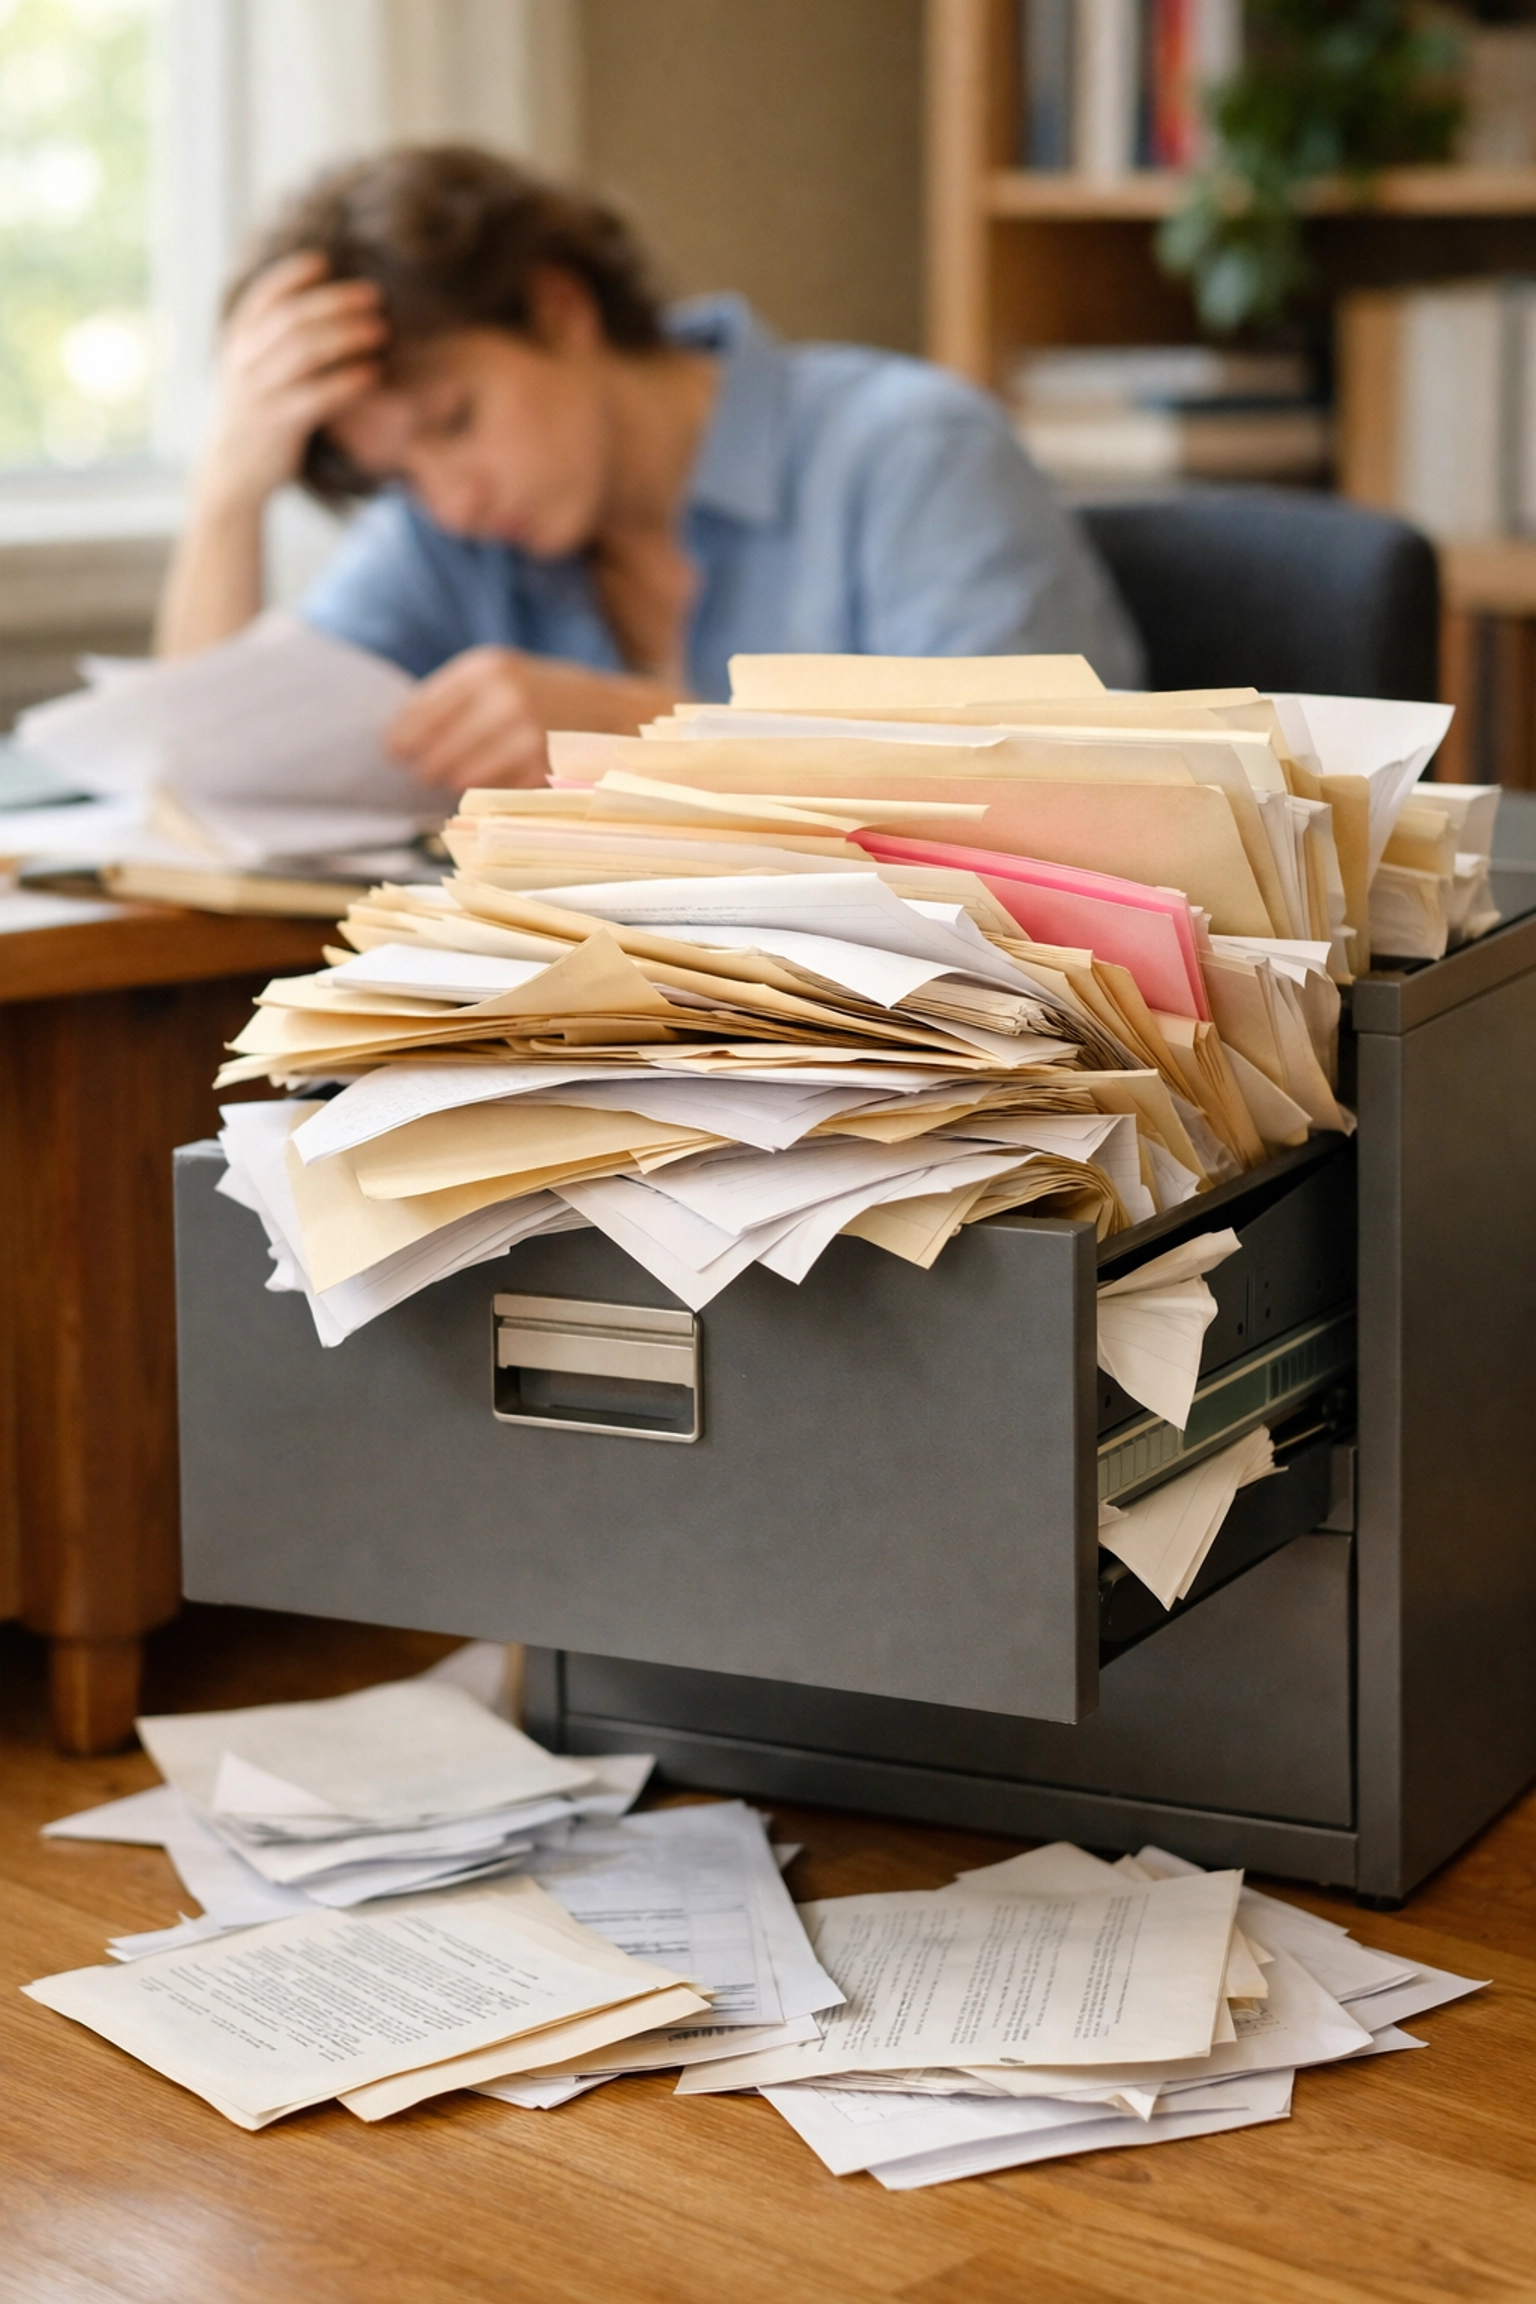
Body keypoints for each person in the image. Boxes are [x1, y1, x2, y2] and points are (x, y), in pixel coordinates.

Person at [157, 145, 1144, 791]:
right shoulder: (453, 536)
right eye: (402, 476)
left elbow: (1057, 800)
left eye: (454, 420)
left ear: (559, 309)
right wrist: (227, 492)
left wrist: (655, 735)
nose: (451, 498)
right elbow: (214, 774)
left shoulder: (910, 453)